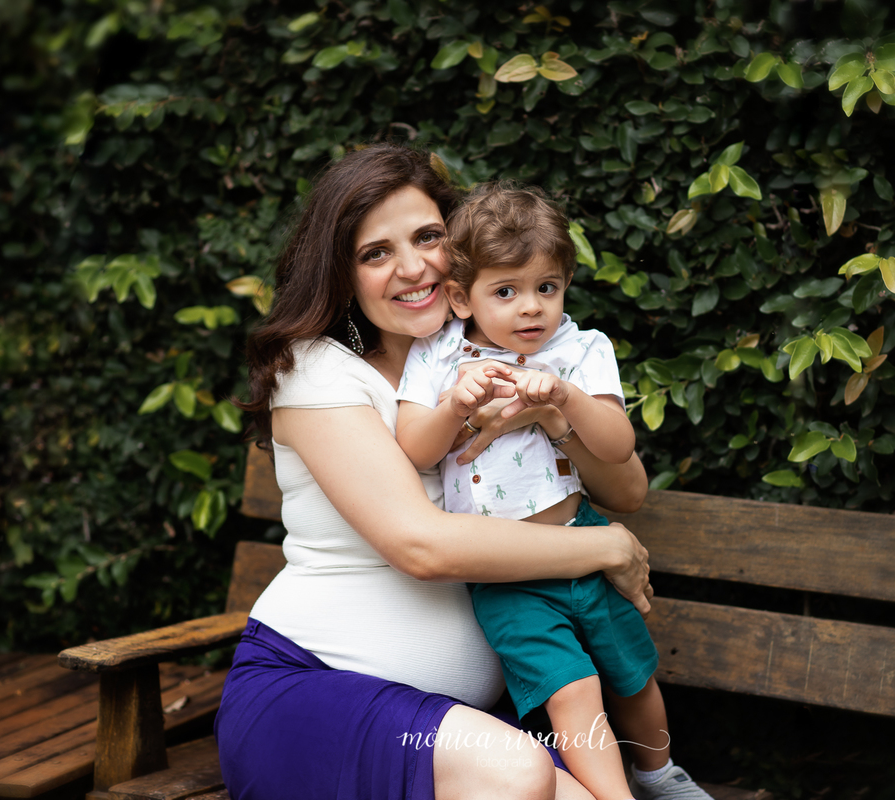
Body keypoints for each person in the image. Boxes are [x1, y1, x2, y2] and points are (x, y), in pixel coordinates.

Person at [215, 143, 652, 800]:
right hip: (312, 692)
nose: (412, 267)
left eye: (427, 237)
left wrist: (552, 416)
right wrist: (604, 546)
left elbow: (628, 488)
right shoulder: (319, 372)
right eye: (376, 253)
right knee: (521, 774)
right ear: (343, 274)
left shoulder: (508, 350)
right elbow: (420, 546)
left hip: (463, 730)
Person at [395, 183, 713, 800]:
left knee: (632, 675)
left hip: (580, 542)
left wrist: (565, 398)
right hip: (504, 573)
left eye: (547, 287)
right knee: (572, 689)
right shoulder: (439, 355)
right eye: (505, 291)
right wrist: (454, 406)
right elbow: (414, 447)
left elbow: (617, 445)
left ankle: (660, 774)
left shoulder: (581, 349)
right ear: (460, 297)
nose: (531, 308)